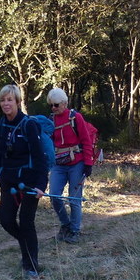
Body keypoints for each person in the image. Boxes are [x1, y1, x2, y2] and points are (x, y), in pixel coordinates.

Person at [0, 84, 49, 278]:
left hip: (30, 183)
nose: (6, 103)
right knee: (6, 220)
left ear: (17, 101)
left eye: (9, 99)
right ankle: (27, 246)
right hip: (8, 182)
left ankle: (31, 266)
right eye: (3, 100)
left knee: (26, 222)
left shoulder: (29, 125)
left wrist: (41, 185)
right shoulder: (0, 125)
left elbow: (40, 157)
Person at [47, 87, 94, 243]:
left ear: (65, 103)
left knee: (74, 199)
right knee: (54, 196)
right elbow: (47, 142)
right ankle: (65, 224)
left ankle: (75, 231)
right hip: (58, 164)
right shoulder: (51, 120)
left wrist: (88, 163)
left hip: (77, 163)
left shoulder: (76, 117)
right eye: (51, 105)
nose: (53, 108)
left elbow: (87, 141)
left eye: (56, 105)